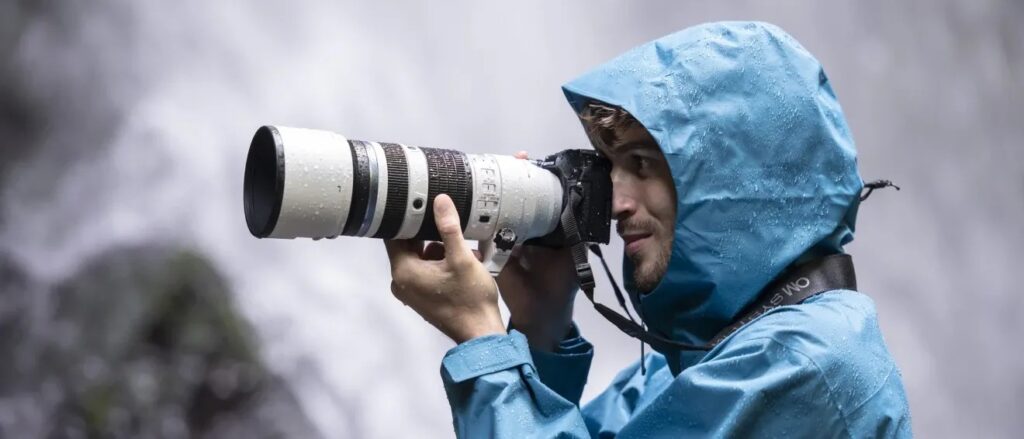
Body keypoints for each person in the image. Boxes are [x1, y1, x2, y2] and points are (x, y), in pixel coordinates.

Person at [383, 21, 911, 437]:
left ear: (733, 173)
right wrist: (540, 330)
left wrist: (482, 335)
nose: (614, 202)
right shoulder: (691, 357)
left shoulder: (808, 366)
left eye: (641, 163)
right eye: (611, 167)